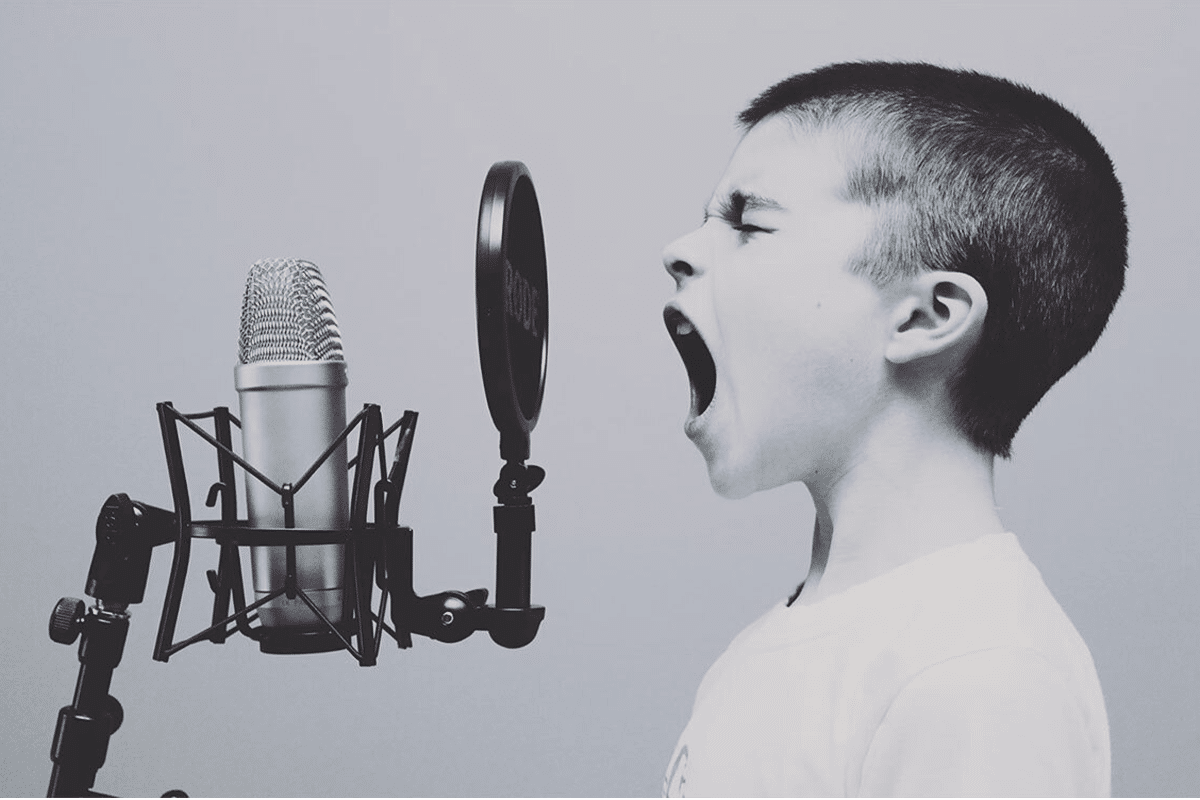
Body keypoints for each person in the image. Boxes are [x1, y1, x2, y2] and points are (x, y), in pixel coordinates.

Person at [660, 61, 1125, 797]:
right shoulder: (782, 648)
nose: (679, 249)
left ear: (926, 316)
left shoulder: (976, 675)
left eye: (749, 223)